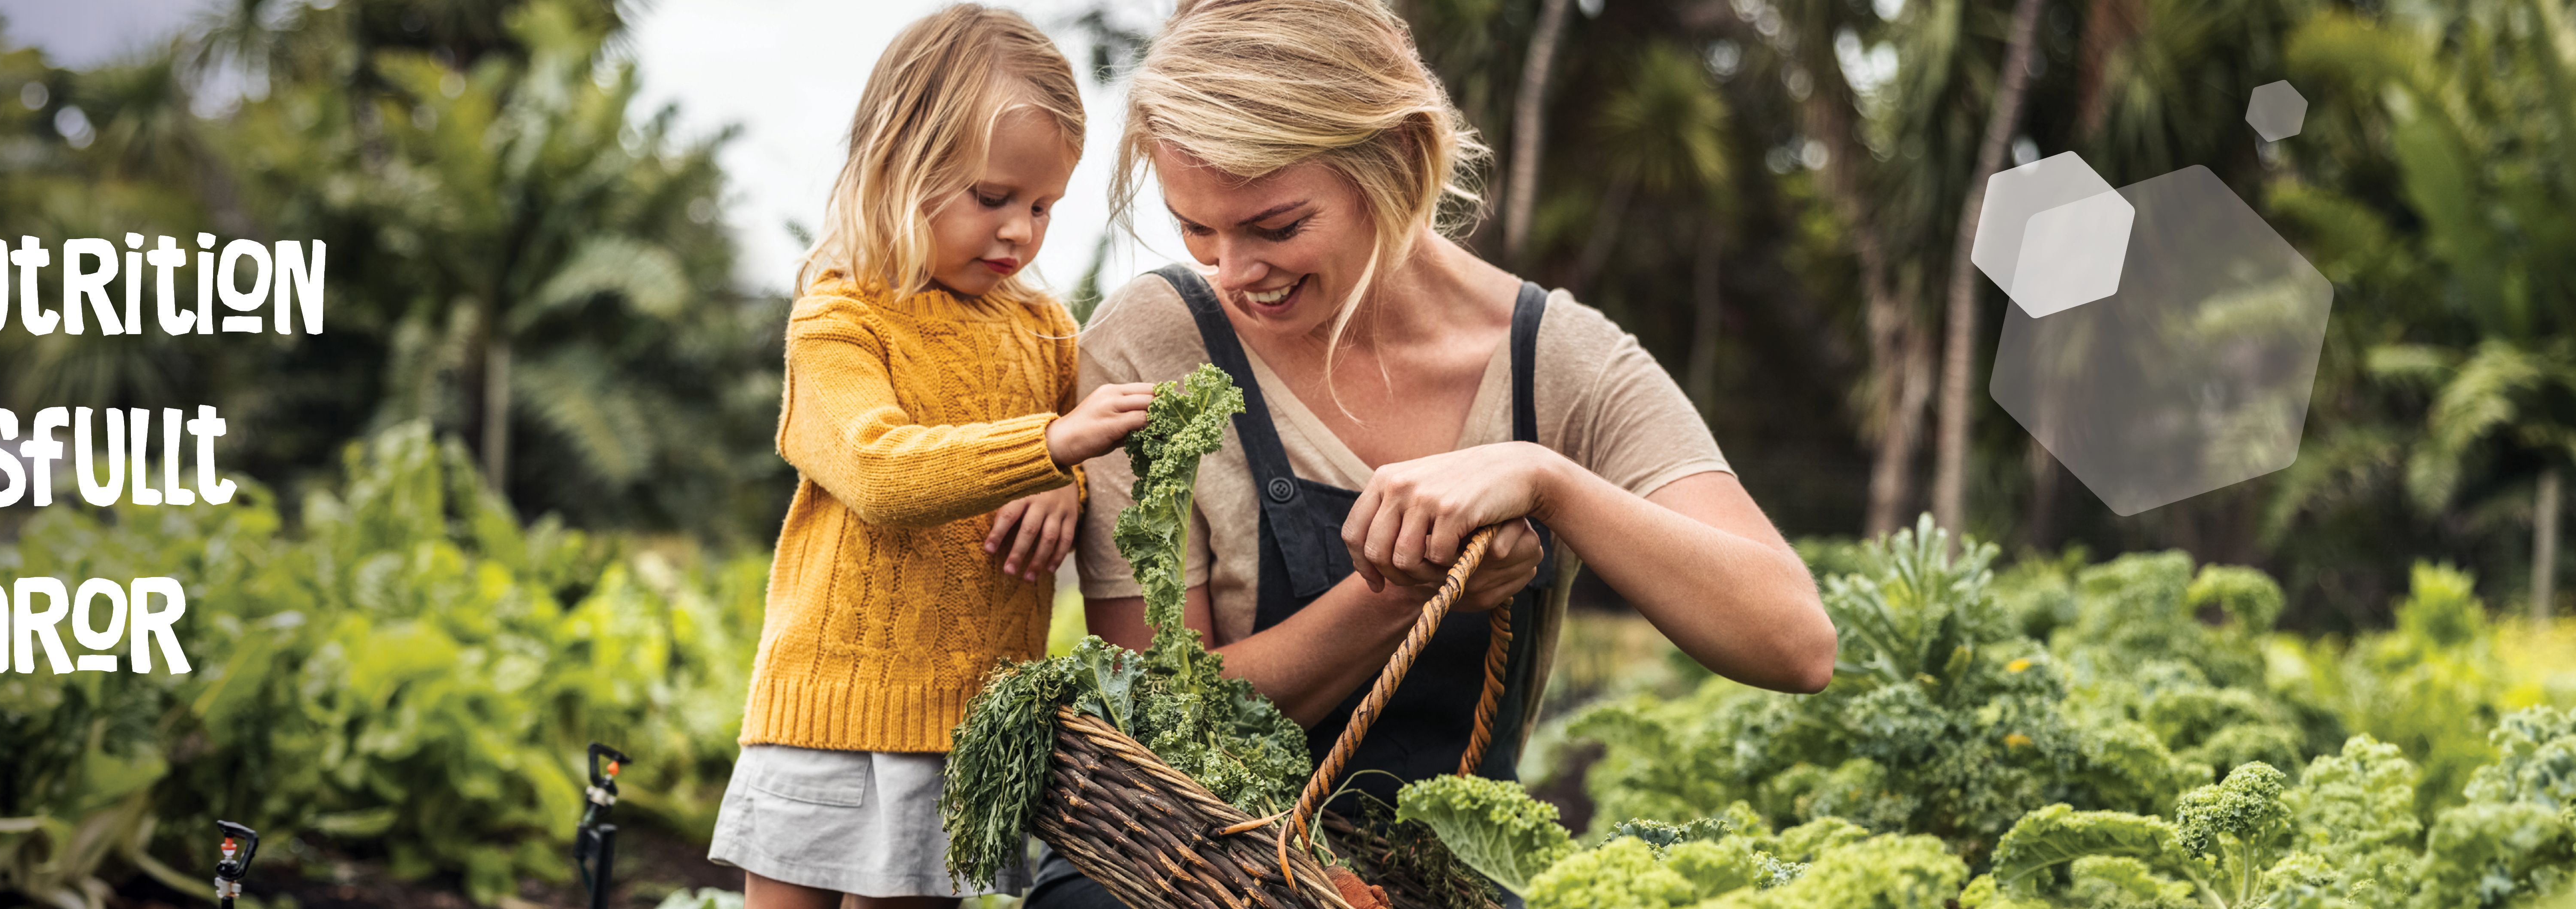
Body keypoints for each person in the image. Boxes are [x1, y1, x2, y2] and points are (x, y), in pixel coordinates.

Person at [1034, 0, 1837, 904]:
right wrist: (1401, 591)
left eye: (1277, 226)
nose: (1232, 271)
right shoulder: (1155, 342)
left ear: (1399, 161)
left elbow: (1791, 641)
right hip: (1176, 866)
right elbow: (1156, 726)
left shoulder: (1557, 362)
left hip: (1433, 877)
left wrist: (1549, 481)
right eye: (1196, 228)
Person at [706, 7, 1161, 908]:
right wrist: (1052, 445)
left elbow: (1080, 466)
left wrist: (1066, 482)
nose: (1020, 234)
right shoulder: (840, 317)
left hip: (966, 729)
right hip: (826, 720)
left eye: (1042, 207)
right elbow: (880, 470)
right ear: (897, 166)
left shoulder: (1043, 331)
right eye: (992, 199)